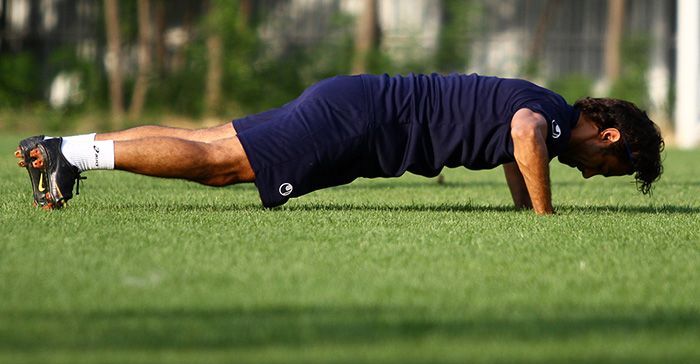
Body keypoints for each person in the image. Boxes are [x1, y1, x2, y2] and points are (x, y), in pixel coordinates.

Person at [15, 73, 664, 215]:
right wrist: (545, 219)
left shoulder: (548, 108)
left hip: (355, 102)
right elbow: (522, 137)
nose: (590, 174)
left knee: (210, 136)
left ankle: (63, 146)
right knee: (220, 165)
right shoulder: (545, 121)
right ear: (609, 136)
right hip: (362, 123)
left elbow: (516, 148)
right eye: (607, 168)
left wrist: (526, 210)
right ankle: (73, 155)